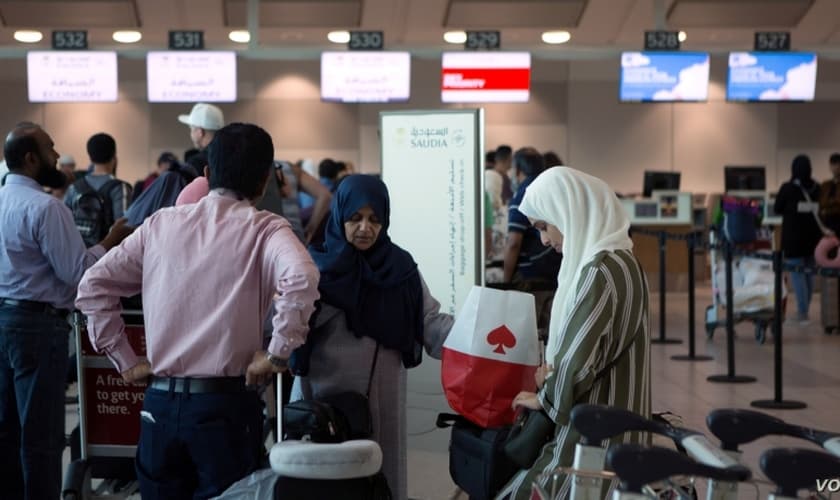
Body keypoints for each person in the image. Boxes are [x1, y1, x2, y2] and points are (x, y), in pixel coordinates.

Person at [76, 123, 320, 500]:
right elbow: (302, 278)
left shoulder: (159, 225)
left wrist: (125, 360)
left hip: (158, 402)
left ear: (207, 174)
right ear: (262, 182)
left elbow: (93, 286)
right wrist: (277, 353)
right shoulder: (267, 231)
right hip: (225, 407)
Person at [291, 174, 454, 500]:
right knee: (325, 483)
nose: (365, 228)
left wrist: (475, 336)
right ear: (340, 216)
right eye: (355, 218)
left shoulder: (401, 268)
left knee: (382, 480)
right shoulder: (314, 267)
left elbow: (429, 321)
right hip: (325, 398)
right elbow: (290, 325)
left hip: (384, 398)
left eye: (374, 220)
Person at [496, 167, 651, 500]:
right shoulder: (626, 261)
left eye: (544, 226)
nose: (545, 240)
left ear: (567, 211)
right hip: (623, 428)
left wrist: (544, 395)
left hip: (591, 436)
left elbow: (577, 362)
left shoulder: (600, 271)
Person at [0, 121, 132, 500]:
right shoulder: (46, 208)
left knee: (6, 432)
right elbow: (78, 273)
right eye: (51, 148)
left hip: (3, 322)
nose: (57, 155)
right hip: (38, 329)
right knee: (40, 437)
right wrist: (111, 241)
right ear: (30, 158)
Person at [774, 154, 825, 324]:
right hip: (814, 240)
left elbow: (777, 208)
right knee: (809, 275)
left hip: (793, 240)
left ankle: (802, 312)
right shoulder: (818, 188)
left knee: (797, 276)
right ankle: (805, 309)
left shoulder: (787, 188)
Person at [819, 152, 840, 236]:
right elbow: (821, 203)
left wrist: (828, 206)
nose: (836, 167)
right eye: (833, 164)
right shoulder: (825, 185)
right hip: (827, 223)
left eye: (837, 164)